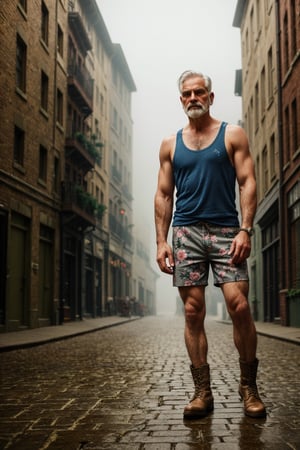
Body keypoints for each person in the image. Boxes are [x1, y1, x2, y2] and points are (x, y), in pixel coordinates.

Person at [154, 70, 266, 420]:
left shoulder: (231, 134)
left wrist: (245, 229)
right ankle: (202, 391)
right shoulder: (170, 144)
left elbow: (247, 182)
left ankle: (249, 387)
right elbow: (162, 194)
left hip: (226, 231)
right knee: (192, 312)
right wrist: (161, 240)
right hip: (186, 233)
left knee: (240, 306)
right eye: (186, 94)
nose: (193, 98)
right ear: (181, 99)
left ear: (211, 96)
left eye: (199, 92)